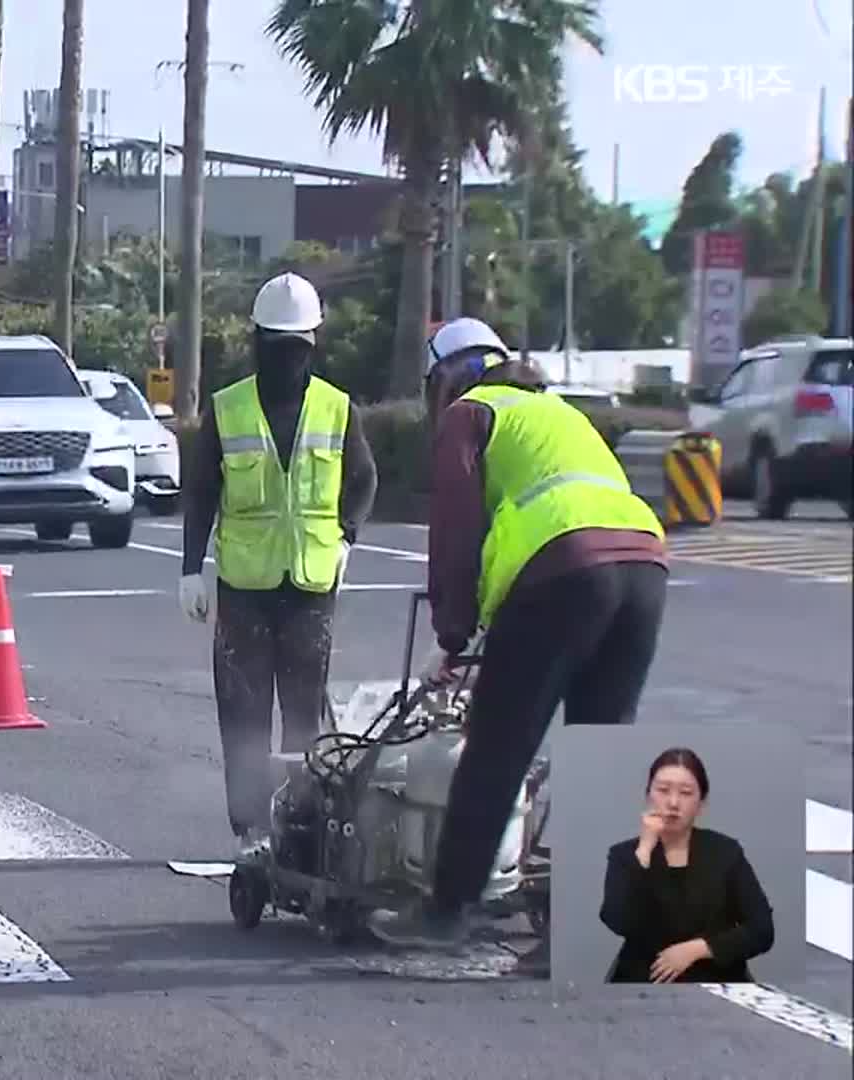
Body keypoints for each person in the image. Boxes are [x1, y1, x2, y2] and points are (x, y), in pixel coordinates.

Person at [370, 316, 669, 948]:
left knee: (497, 745)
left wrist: (450, 637)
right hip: (646, 566)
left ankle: (446, 911)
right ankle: (583, 929)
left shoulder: (471, 413)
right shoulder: (558, 413)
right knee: (602, 753)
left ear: (448, 377)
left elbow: (454, 533)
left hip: (567, 571)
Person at [178, 272, 378, 845]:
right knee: (242, 715)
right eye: (280, 346)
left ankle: (303, 826)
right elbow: (200, 491)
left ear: (311, 345)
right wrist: (192, 570)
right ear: (259, 342)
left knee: (303, 718)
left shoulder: (337, 409)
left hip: (311, 586)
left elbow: (363, 479)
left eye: (298, 347)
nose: (290, 357)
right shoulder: (229, 407)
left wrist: (346, 537)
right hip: (243, 586)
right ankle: (250, 831)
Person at [599, 748, 773, 983]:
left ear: (701, 802)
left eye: (686, 793)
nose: (673, 802)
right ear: (648, 795)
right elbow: (617, 920)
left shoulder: (725, 852)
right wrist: (644, 850)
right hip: (644, 982)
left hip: (718, 980)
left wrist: (696, 949)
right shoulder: (624, 855)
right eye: (662, 790)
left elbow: (762, 929)